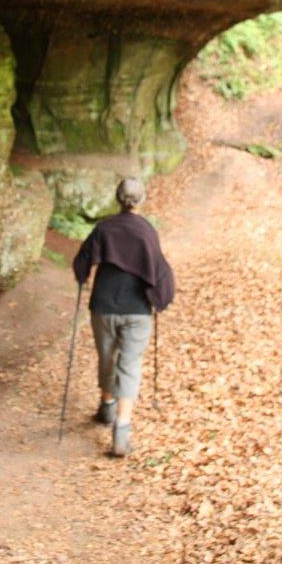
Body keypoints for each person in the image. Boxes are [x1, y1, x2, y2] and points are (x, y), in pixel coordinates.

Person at [71, 177, 174, 457]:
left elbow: (82, 259)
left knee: (107, 357)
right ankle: (122, 429)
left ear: (118, 199)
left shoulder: (104, 228)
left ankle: (106, 406)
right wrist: (161, 297)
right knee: (129, 364)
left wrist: (83, 275)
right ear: (141, 200)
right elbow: (160, 268)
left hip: (103, 306)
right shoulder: (146, 231)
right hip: (137, 309)